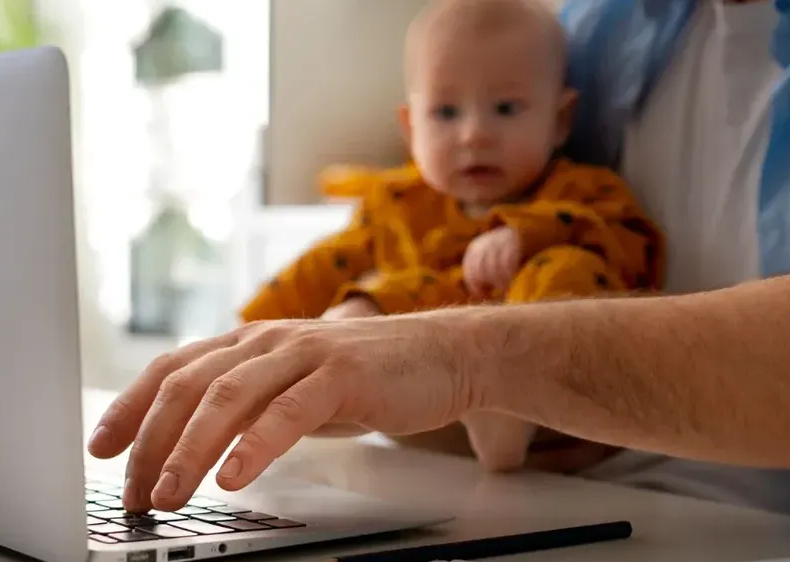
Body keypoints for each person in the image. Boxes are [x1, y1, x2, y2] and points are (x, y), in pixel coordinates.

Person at [90, 0, 790, 560]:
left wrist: (475, 353)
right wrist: (353, 363)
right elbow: (513, 364)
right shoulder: (585, 29)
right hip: (564, 544)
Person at [238, 0, 664, 472]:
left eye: (505, 108)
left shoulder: (578, 190)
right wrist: (249, 334)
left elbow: (630, 240)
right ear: (410, 127)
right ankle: (307, 382)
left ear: (560, 119)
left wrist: (525, 235)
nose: (474, 134)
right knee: (366, 302)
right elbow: (322, 265)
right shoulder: (398, 203)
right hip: (421, 416)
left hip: (542, 393)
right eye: (445, 112)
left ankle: (512, 407)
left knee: (567, 268)